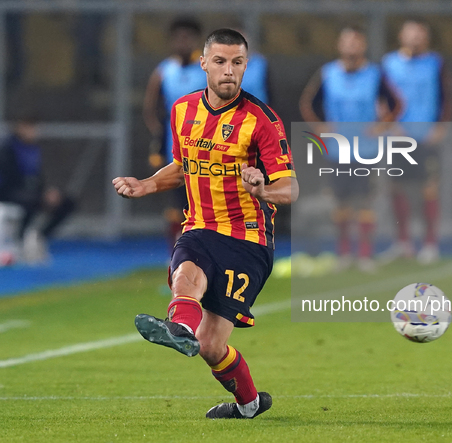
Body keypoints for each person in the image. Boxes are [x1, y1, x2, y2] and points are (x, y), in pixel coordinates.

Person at [113, 29, 298, 419]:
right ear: (204, 64)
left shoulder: (262, 121)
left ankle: (248, 404)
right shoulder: (181, 110)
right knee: (185, 273)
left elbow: (290, 188)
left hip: (248, 239)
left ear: (245, 66)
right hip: (199, 226)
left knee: (212, 346)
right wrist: (146, 184)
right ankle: (178, 327)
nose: (228, 71)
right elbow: (182, 166)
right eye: (220, 62)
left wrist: (263, 190)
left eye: (237, 63)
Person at [299, 26, 401, 272]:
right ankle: (344, 254)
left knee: (365, 203)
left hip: (367, 150)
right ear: (339, 46)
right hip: (337, 150)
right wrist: (320, 127)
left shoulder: (375, 74)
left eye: (356, 42)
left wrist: (382, 126)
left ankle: (365, 255)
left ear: (363, 45)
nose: (351, 46)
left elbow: (397, 103)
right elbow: (307, 103)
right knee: (341, 204)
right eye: (347, 42)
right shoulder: (328, 73)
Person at [380, 19, 452, 264]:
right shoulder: (389, 63)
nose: (414, 39)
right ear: (401, 36)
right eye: (410, 34)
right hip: (397, 136)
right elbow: (380, 98)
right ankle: (403, 243)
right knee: (397, 189)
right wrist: (389, 125)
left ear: (426, 38)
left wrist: (440, 127)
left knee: (428, 188)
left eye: (419, 35)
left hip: (426, 137)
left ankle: (430, 244)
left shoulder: (436, 63)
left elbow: (447, 97)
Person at [143, 18, 208, 248]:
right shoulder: (164, 71)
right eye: (179, 37)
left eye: (187, 37)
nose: (183, 42)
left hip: (207, 147)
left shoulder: (207, 68)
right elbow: (150, 107)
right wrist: (159, 136)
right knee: (177, 202)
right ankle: (178, 252)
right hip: (176, 148)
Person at [0, 118, 76, 262]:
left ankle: (39, 236)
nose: (35, 132)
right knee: (30, 202)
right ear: (21, 128)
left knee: (67, 202)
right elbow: (11, 177)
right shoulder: (7, 147)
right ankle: (20, 239)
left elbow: (37, 176)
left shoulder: (33, 149)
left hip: (29, 192)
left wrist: (46, 192)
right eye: (31, 128)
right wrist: (38, 193)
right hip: (7, 192)